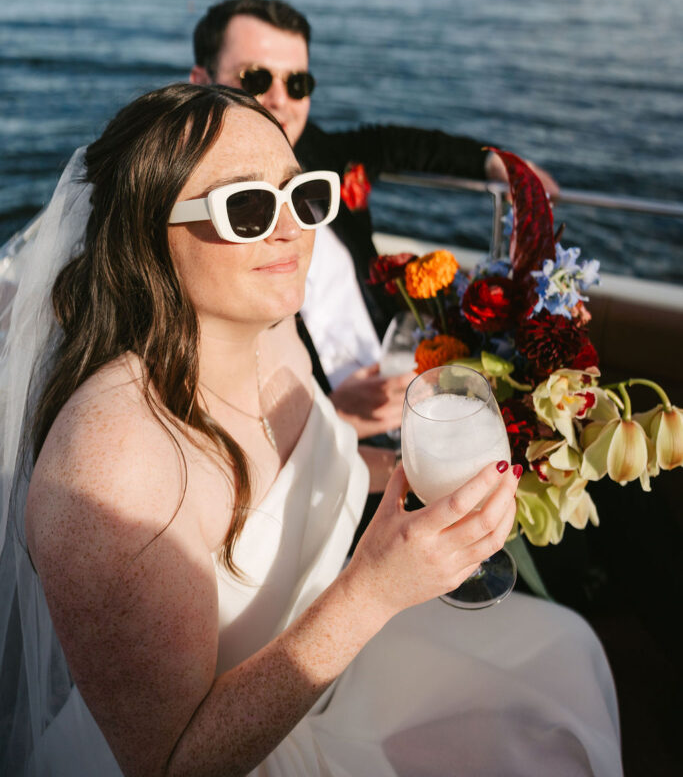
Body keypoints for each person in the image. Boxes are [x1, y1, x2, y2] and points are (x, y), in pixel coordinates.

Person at [0, 83, 622, 776]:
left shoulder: (272, 328)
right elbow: (168, 763)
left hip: (327, 673)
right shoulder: (110, 465)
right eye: (247, 207)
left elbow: (302, 472)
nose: (293, 229)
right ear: (146, 234)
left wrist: (432, 493)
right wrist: (377, 588)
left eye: (303, 196)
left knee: (561, 652)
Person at [189, 0, 559, 459]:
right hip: (323, 445)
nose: (279, 98)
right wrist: (329, 414)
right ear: (200, 82)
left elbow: (400, 144)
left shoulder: (323, 155)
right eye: (254, 77)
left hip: (408, 390)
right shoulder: (193, 221)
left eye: (297, 82)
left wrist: (495, 163)